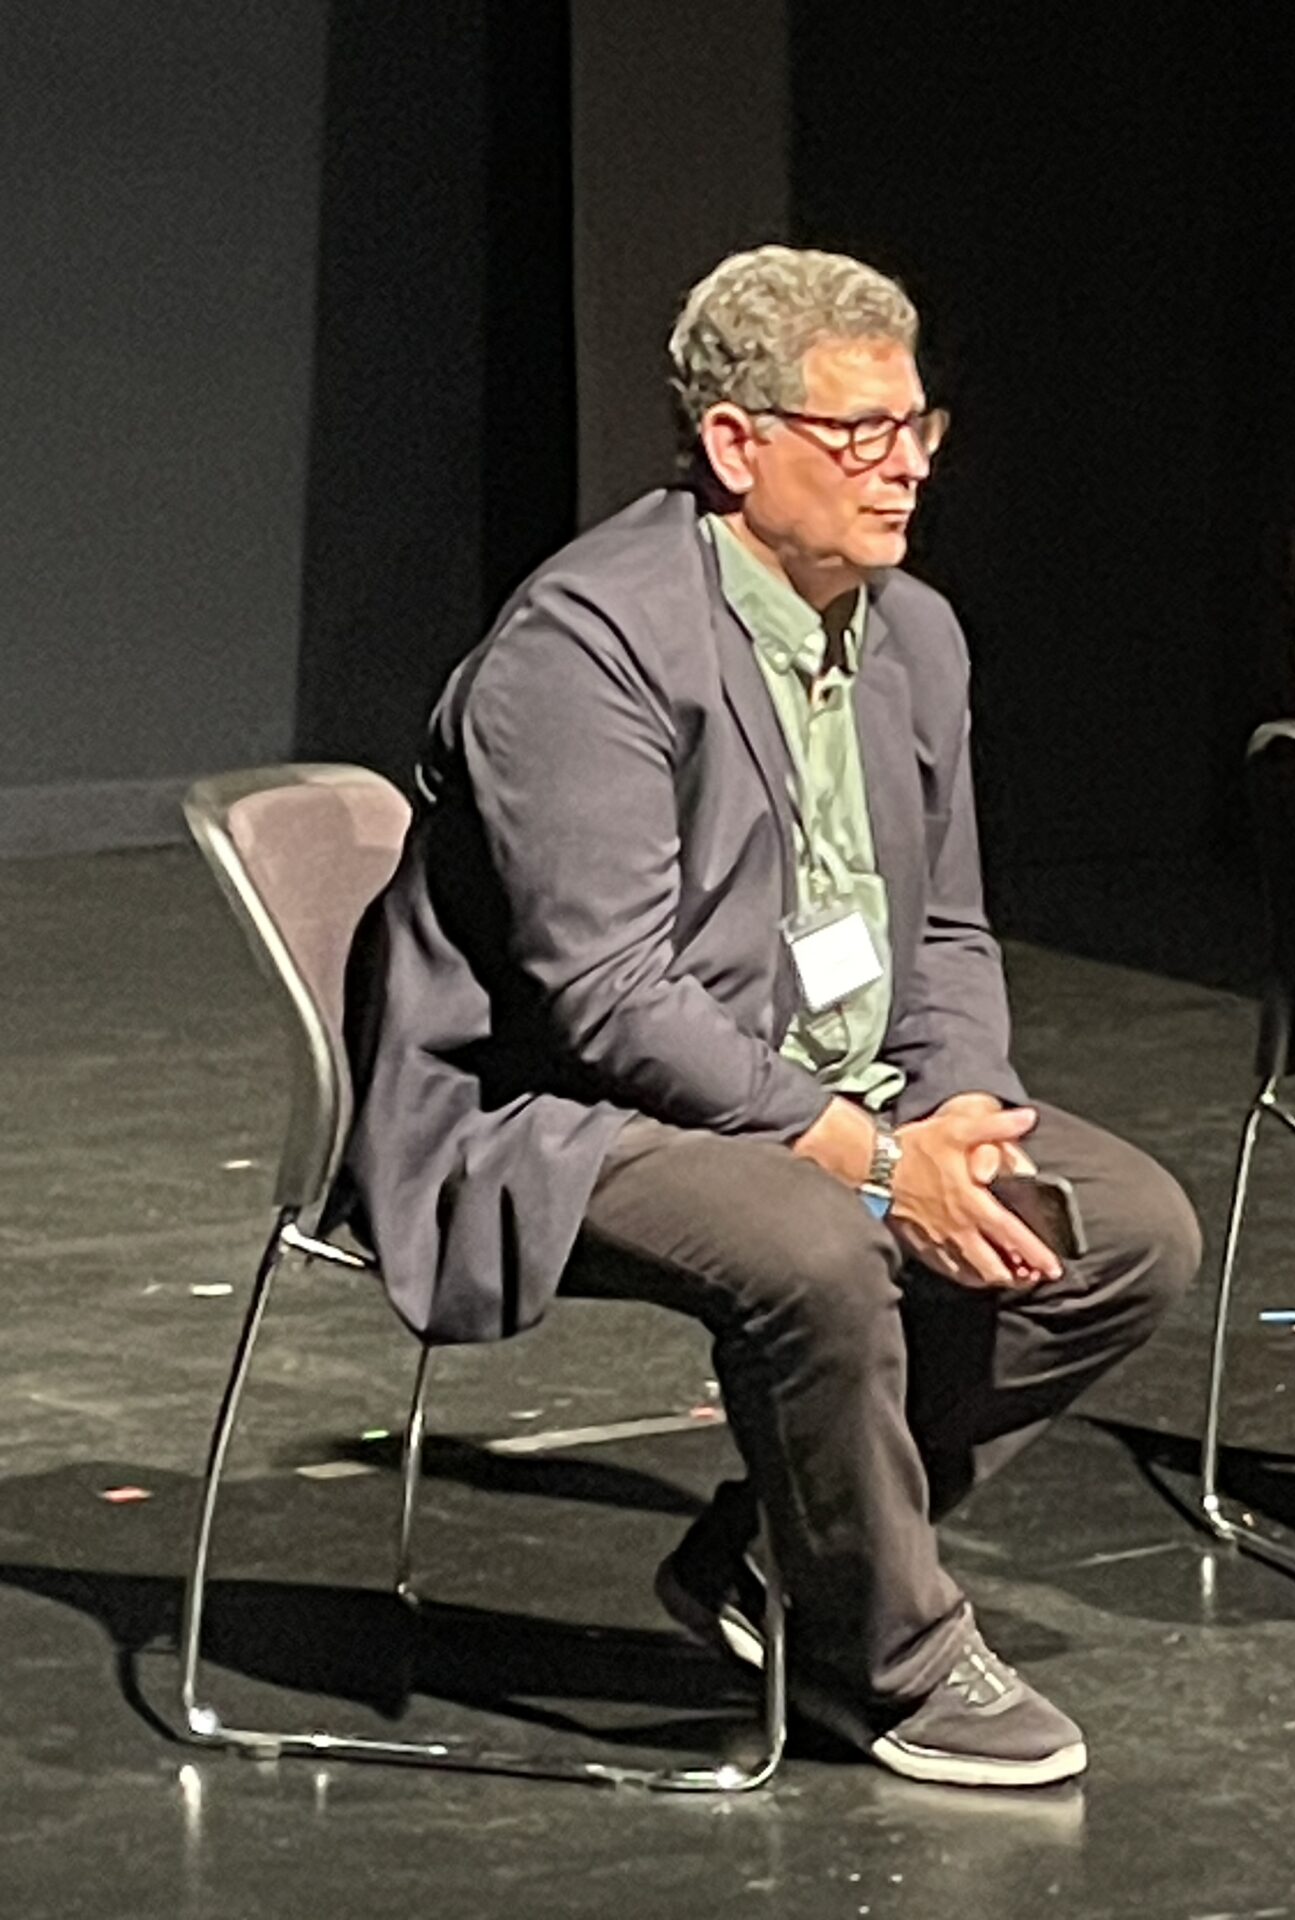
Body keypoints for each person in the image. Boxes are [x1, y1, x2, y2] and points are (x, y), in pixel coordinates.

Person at [341, 245, 1200, 1784]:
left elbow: (943, 923)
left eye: (918, 427)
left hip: (824, 1070)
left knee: (1120, 1228)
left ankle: (772, 1561)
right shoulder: (588, 645)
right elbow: (601, 997)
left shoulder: (913, 635)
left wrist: (952, 1104)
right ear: (737, 446)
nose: (904, 468)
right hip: (554, 1105)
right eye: (860, 433)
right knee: (817, 1253)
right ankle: (888, 1657)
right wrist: (863, 1158)